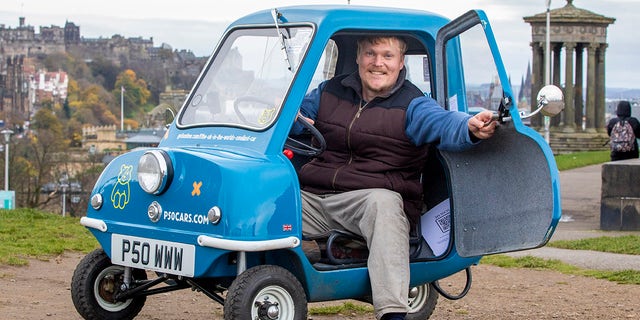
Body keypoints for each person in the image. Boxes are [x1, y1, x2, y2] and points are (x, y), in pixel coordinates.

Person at [291, 35, 497, 320]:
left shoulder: (413, 106)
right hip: (314, 196)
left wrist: (469, 126)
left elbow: (444, 121)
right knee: (269, 193)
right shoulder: (329, 91)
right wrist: (291, 119)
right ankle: (248, 272)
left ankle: (392, 313)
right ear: (358, 58)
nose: (378, 63)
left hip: (367, 201)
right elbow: (294, 114)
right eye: (370, 54)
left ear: (401, 63)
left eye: (387, 56)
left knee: (383, 202)